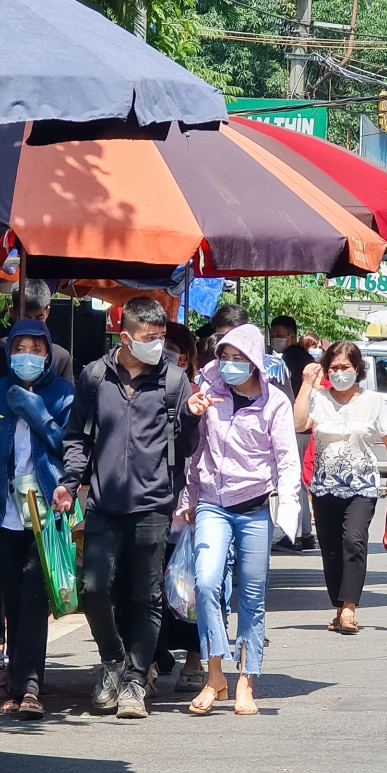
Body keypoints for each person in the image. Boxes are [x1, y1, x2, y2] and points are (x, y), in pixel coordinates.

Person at [54, 296, 198, 719]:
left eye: (160, 338)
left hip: (154, 505)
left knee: (145, 596)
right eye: (148, 338)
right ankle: (112, 662)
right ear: (125, 336)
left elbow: (186, 448)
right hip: (103, 503)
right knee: (94, 588)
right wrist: (69, 482)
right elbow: (77, 435)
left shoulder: (174, 381)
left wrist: (191, 417)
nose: (157, 345)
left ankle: (136, 680)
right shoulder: (95, 376)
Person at [179, 324, 300, 715]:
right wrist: (188, 498)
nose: (230, 366)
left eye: (239, 359)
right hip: (212, 503)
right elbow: (194, 453)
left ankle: (246, 679)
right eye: (224, 358)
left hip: (254, 507)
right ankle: (215, 675)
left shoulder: (275, 402)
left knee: (251, 595)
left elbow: (286, 459)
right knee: (207, 581)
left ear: (255, 362)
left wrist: (292, 507)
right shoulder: (208, 393)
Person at [0, 319, 73, 719]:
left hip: (47, 509)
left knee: (36, 594)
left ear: (49, 353)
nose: (28, 356)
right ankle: (16, 679)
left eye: (37, 348)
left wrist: (38, 414)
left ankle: (30, 687)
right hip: (4, 508)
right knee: (12, 596)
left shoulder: (63, 393)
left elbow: (71, 447)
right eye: (21, 348)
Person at [294, 342, 387, 635]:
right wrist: (306, 384)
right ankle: (339, 607)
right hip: (324, 485)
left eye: (346, 368)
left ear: (358, 369)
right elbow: (299, 422)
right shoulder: (318, 399)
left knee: (354, 541)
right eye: (335, 368)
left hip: (362, 486)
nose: (340, 373)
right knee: (330, 550)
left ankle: (350, 610)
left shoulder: (372, 401)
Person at [160, 320, 204, 692]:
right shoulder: (144, 387)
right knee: (150, 583)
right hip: (152, 499)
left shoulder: (200, 393)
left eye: (170, 347)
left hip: (192, 503)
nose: (163, 353)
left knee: (193, 584)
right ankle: (151, 658)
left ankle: (194, 658)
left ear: (186, 356)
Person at [272, 314, 316, 552]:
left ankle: (295, 535)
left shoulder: (290, 358)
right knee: (298, 480)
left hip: (296, 424)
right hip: (302, 425)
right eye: (273, 335)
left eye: (280, 335)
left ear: (291, 336)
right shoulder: (301, 356)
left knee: (293, 479)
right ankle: (305, 533)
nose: (275, 339)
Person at [0, 279, 74, 383]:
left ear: (47, 311)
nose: (32, 325)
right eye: (26, 317)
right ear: (11, 311)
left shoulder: (61, 357)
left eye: (39, 318)